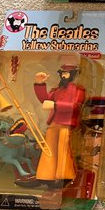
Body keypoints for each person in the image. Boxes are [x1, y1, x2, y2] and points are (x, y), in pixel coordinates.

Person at [16, 60, 86, 189]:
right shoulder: (57, 90)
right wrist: (40, 84)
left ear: (73, 74)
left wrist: (55, 105)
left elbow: (75, 106)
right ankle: (45, 176)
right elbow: (45, 100)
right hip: (54, 123)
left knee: (63, 150)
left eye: (67, 73)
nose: (64, 76)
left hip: (66, 124)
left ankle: (65, 176)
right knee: (48, 150)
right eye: (63, 73)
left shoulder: (78, 90)